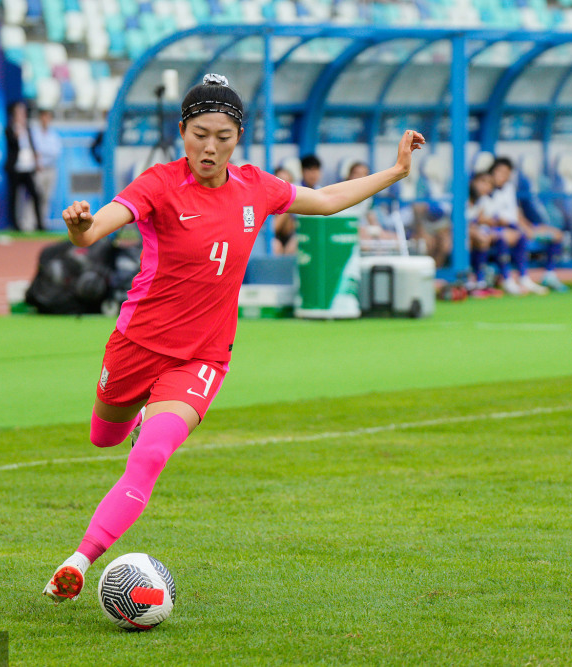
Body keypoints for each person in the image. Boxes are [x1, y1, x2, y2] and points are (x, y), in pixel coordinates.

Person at [42, 74, 425, 602]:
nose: (210, 146)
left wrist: (397, 171)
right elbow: (94, 231)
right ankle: (134, 419)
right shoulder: (157, 184)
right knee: (104, 437)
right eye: (200, 133)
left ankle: (79, 560)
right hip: (136, 344)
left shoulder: (256, 187)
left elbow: (330, 198)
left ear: (237, 137)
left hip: (202, 357)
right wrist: (79, 225)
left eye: (223, 135)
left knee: (150, 456)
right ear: (182, 131)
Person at [486, 157, 561, 293]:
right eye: (500, 172)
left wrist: (528, 227)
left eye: (507, 173)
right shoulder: (486, 191)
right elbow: (489, 216)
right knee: (517, 236)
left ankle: (549, 275)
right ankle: (510, 279)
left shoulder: (509, 188)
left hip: (516, 226)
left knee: (556, 235)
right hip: (499, 230)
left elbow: (516, 212)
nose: (503, 176)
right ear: (492, 171)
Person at [5, 101, 44, 231]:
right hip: (15, 168)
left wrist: (36, 162)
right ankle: (15, 225)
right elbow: (12, 143)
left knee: (36, 195)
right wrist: (18, 131)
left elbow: (32, 145)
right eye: (19, 111)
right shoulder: (9, 128)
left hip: (28, 168)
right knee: (14, 198)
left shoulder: (28, 128)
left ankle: (39, 224)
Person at [30, 108, 63, 230]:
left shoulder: (53, 134)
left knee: (47, 197)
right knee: (35, 197)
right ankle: (30, 223)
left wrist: (42, 153)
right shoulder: (34, 133)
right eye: (44, 117)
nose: (45, 120)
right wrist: (40, 155)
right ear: (40, 118)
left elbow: (56, 152)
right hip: (38, 169)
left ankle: (42, 223)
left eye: (48, 117)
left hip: (50, 168)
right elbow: (34, 150)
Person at [271, 165, 298, 255]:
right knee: (275, 245)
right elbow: (272, 229)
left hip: (289, 239)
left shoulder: (297, 201)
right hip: (272, 238)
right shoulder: (267, 201)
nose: (284, 186)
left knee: (297, 243)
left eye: (288, 182)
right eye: (281, 181)